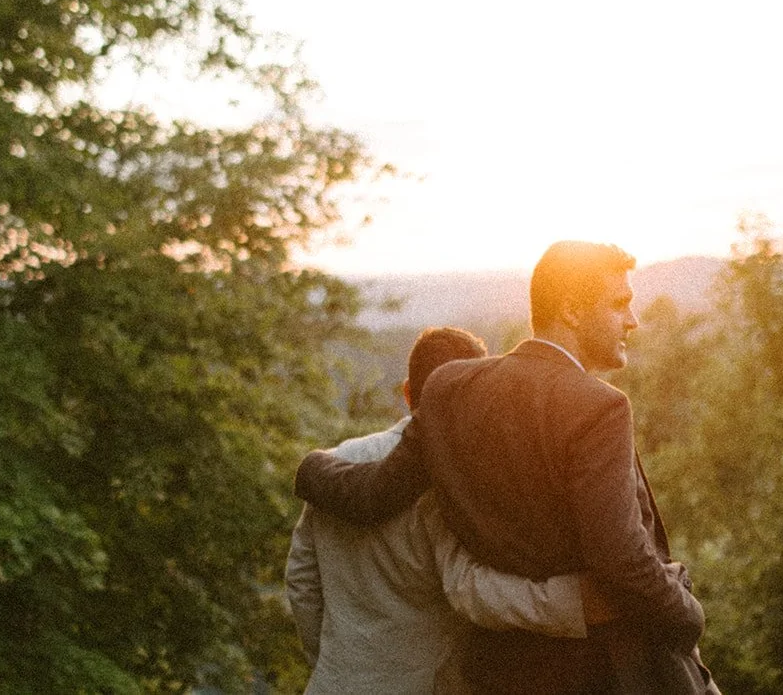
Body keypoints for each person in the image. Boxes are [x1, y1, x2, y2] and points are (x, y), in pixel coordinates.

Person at [295, 242, 716, 695]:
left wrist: (311, 468)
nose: (632, 320)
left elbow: (372, 495)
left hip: (499, 671)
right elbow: (620, 559)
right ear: (572, 311)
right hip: (606, 669)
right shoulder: (601, 408)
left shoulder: (451, 387)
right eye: (619, 305)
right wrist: (688, 615)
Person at [286, 326, 590, 695]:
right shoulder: (451, 483)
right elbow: (470, 590)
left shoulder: (339, 462)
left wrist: (338, 665)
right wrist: (579, 601)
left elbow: (302, 581)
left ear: (406, 393)